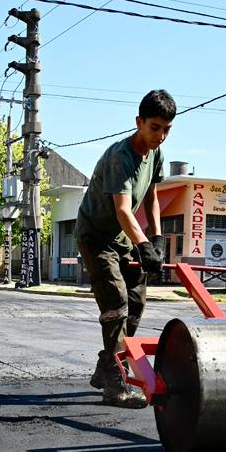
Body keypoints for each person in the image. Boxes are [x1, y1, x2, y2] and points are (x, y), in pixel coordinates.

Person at [75, 88, 175, 408]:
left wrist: (156, 239)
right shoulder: (121, 157)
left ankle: (107, 365)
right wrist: (143, 244)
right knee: (116, 301)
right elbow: (123, 210)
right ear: (139, 122)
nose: (160, 136)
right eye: (154, 127)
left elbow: (152, 198)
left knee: (136, 300)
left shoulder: (155, 154)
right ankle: (115, 384)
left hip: (120, 238)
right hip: (96, 236)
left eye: (166, 129)